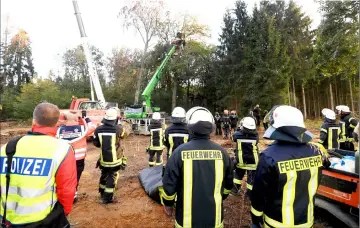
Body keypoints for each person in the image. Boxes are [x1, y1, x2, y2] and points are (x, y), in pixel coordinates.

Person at [250, 105, 330, 228]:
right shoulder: (316, 152)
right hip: (306, 221)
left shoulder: (269, 156)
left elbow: (259, 193)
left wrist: (256, 218)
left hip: (276, 223)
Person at [0, 102, 77, 227]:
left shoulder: (8, 147)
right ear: (57, 124)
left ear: (33, 121)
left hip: (7, 218)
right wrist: (63, 214)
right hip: (43, 220)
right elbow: (66, 189)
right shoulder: (62, 149)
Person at [160, 106, 234, 228]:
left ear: (190, 126)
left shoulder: (178, 153)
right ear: (211, 128)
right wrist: (221, 196)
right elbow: (228, 184)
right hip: (215, 221)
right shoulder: (222, 153)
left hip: (186, 222)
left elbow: (169, 185)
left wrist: (168, 204)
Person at [56, 112, 96, 203]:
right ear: (76, 119)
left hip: (64, 159)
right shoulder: (82, 129)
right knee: (76, 177)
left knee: (65, 177)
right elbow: (93, 127)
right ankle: (73, 195)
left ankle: (64, 195)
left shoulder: (59, 130)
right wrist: (84, 119)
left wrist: (63, 119)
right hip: (79, 159)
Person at [93, 108, 127, 204]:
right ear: (115, 118)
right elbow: (124, 135)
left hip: (103, 159)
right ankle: (107, 198)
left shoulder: (98, 129)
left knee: (104, 175)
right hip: (115, 160)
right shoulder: (118, 129)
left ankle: (102, 192)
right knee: (112, 177)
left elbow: (96, 143)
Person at [231, 117, 259, 198]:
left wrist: (239, 129)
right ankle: (249, 195)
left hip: (241, 160)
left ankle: (234, 190)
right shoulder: (256, 136)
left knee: (238, 176)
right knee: (251, 180)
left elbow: (233, 137)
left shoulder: (237, 135)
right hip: (253, 162)